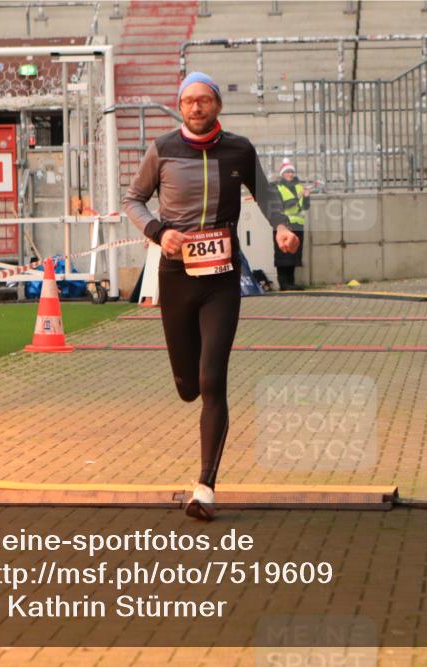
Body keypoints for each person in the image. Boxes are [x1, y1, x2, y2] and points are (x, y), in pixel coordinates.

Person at [122, 72, 300, 521]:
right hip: (177, 276)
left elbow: (266, 195)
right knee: (187, 386)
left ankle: (205, 486)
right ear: (180, 107)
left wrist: (281, 227)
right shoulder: (162, 149)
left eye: (204, 100)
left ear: (217, 105)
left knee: (211, 379)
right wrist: (159, 232)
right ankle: (189, 389)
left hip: (222, 279)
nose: (197, 107)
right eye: (188, 101)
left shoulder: (239, 149)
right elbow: (133, 199)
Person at [272, 158, 309, 291]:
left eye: (292, 172)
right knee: (283, 253)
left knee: (294, 252)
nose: (290, 174)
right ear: (282, 174)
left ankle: (291, 282)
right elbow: (283, 205)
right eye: (287, 172)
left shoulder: (299, 186)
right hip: (284, 224)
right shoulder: (278, 187)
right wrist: (298, 196)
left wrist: (306, 197)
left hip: (298, 224)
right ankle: (283, 283)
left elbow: (306, 206)